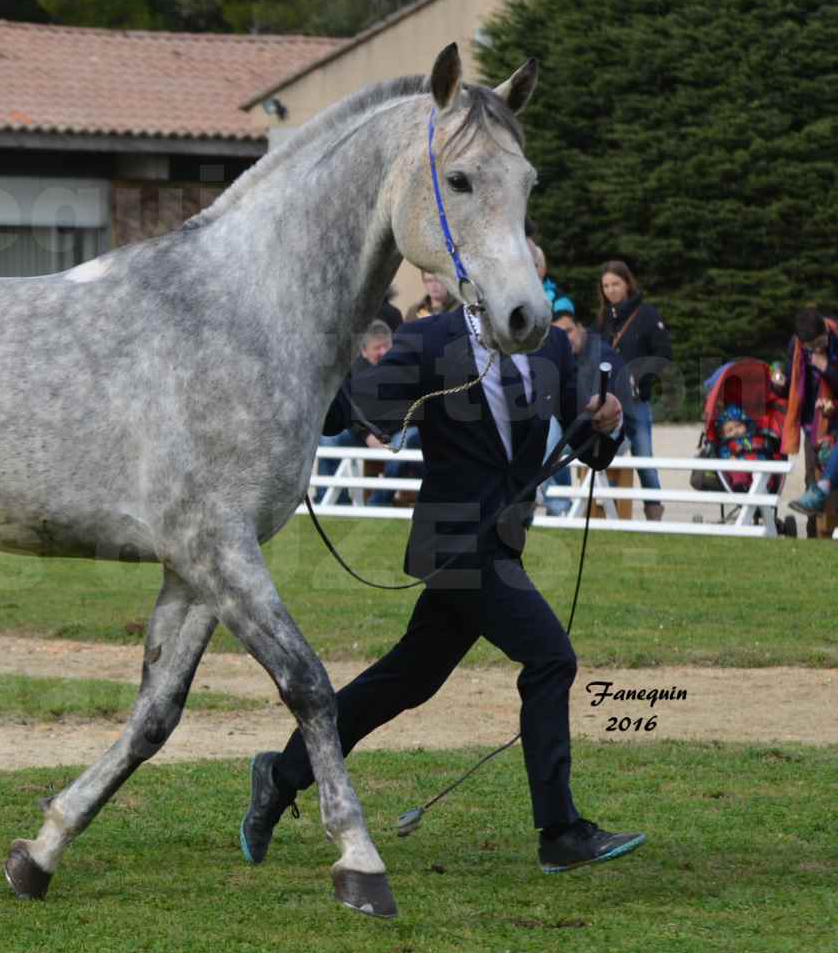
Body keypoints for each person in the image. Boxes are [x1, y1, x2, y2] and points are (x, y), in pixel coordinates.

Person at [240, 304, 645, 876]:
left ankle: (280, 777)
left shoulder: (551, 347)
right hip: (454, 547)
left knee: (404, 681)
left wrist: (610, 422)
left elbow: (591, 443)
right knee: (551, 657)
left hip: (500, 545)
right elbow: (357, 406)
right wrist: (313, 350)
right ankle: (560, 831)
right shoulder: (432, 340)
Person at [597, 260, 671, 521]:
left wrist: (639, 378)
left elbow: (663, 355)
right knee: (607, 453)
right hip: (610, 401)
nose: (611, 290)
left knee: (644, 459)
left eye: (616, 284)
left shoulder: (647, 314)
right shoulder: (604, 318)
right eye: (606, 285)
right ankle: (608, 510)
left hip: (637, 401)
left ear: (627, 283)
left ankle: (654, 513)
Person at [544, 312, 632, 515]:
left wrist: (604, 406)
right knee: (547, 437)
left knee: (548, 441)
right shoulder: (561, 357)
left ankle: (560, 508)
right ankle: (560, 505)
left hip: (614, 433)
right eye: (559, 334)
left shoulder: (605, 355)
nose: (566, 338)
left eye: (569, 331)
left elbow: (614, 404)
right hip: (576, 431)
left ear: (580, 327)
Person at [316, 321, 394, 504]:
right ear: (364, 351)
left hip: (395, 433)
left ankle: (376, 506)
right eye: (377, 348)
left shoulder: (403, 369)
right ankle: (331, 502)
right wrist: (368, 435)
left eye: (386, 346)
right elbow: (349, 409)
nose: (383, 352)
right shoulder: (353, 373)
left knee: (409, 443)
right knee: (328, 440)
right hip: (361, 433)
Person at [777, 308, 838, 514]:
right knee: (812, 477)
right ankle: (814, 537)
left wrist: (826, 367)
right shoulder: (796, 346)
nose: (816, 350)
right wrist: (780, 384)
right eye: (811, 348)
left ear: (825, 332)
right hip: (812, 422)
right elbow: (790, 388)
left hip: (834, 415)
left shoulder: (836, 335)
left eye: (820, 344)